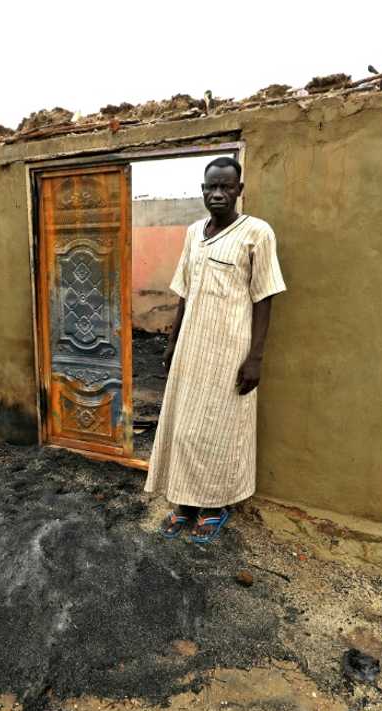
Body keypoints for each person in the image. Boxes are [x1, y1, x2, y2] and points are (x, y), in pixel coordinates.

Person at [143, 156, 286, 544]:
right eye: (211, 187)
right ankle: (185, 503)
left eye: (226, 186)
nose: (217, 193)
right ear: (202, 190)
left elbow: (265, 297)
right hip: (192, 346)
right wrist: (172, 343)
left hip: (230, 350)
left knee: (221, 428)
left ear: (239, 190)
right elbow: (185, 292)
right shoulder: (193, 233)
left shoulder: (257, 232)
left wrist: (256, 357)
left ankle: (215, 507)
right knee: (186, 426)